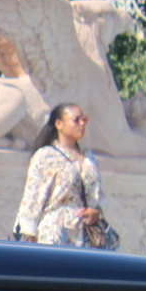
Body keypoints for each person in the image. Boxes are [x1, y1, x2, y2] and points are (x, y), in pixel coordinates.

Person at [13, 102, 110, 247]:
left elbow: (97, 194)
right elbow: (33, 197)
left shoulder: (88, 158)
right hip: (56, 231)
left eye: (84, 119)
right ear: (59, 124)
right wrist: (29, 235)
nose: (81, 124)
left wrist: (96, 213)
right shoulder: (46, 156)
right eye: (76, 120)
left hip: (84, 234)